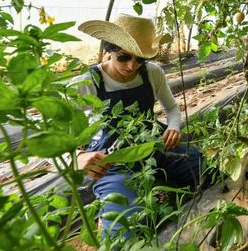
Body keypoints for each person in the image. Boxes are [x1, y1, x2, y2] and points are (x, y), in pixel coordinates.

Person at [73, 14, 203, 239]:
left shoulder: (152, 73)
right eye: (123, 57)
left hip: (156, 150)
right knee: (123, 232)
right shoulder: (87, 83)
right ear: (109, 50)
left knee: (206, 170)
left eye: (140, 59)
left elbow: (172, 108)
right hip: (115, 165)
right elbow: (54, 140)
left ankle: (159, 184)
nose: (132, 66)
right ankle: (109, 214)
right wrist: (78, 157)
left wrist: (173, 127)